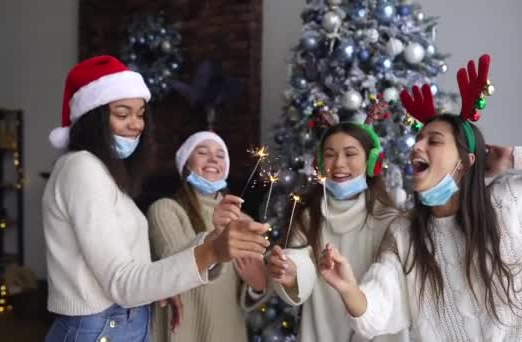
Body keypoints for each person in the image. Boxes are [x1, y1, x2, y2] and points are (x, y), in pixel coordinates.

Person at [320, 54, 522, 341]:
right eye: (418, 139)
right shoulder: (405, 233)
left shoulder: (515, 198)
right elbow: (378, 312)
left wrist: (519, 157)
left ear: (465, 161)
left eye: (433, 140)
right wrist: (349, 289)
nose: (417, 146)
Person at [42, 55, 269, 342]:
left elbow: (131, 269)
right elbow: (122, 282)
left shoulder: (105, 175)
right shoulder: (81, 168)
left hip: (127, 320)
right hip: (104, 329)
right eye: (123, 114)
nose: (136, 125)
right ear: (93, 118)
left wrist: (160, 287)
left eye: (140, 114)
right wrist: (212, 250)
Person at [265, 122, 408, 342]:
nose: (339, 164)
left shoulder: (389, 221)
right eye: (330, 155)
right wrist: (292, 270)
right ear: (320, 163)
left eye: (350, 154)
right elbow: (300, 258)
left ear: (372, 163)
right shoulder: (308, 215)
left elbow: (395, 292)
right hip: (322, 331)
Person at [147, 131, 269, 342]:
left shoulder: (245, 221)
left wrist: (258, 286)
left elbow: (249, 295)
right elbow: (174, 268)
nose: (213, 159)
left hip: (228, 332)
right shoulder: (165, 210)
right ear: (186, 164)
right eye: (202, 152)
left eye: (221, 155)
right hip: (183, 333)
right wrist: (217, 237)